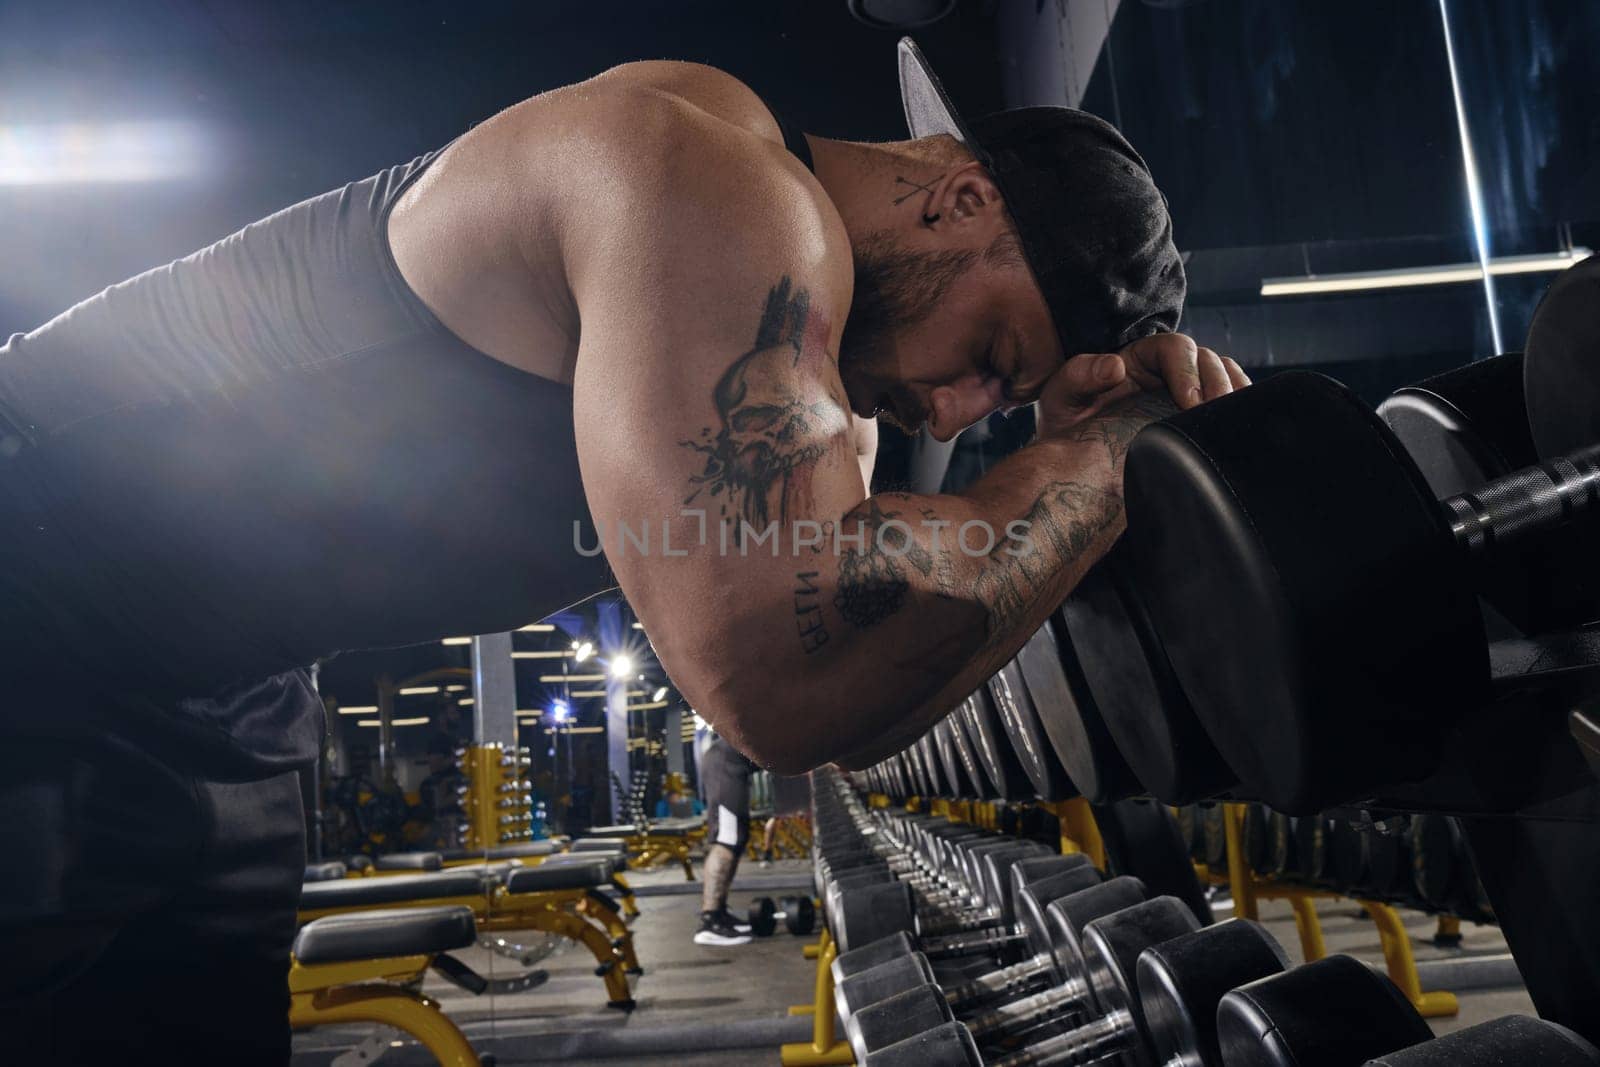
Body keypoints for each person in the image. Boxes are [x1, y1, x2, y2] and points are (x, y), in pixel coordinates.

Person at [0, 39, 1245, 1061]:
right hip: (37, 563)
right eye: (993, 355)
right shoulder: (708, 177)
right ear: (960, 196)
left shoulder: (834, 410)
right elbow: (769, 671)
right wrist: (1096, 460)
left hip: (212, 689)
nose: (963, 413)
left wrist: (1108, 459)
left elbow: (843, 709)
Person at [694, 733, 760, 945]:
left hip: (733, 766)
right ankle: (709, 921)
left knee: (738, 838)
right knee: (727, 839)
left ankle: (720, 913)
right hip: (725, 765)